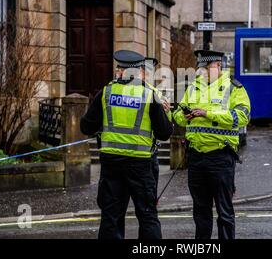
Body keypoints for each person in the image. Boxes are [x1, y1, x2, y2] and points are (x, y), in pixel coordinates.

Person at [80, 50, 173, 239]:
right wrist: (166, 114)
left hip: (111, 164)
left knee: (111, 216)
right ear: (138, 72)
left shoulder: (106, 92)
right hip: (141, 165)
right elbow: (164, 133)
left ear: (120, 71)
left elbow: (86, 126)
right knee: (147, 216)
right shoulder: (150, 95)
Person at [173, 49, 251, 239]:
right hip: (196, 157)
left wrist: (207, 114)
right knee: (200, 212)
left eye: (206, 69)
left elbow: (242, 117)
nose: (202, 72)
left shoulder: (234, 88)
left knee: (224, 211)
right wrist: (182, 115)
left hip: (221, 157)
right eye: (201, 69)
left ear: (217, 66)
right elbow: (177, 117)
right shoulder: (192, 87)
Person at [144, 57, 172, 195]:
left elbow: (166, 127)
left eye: (151, 70)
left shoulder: (158, 93)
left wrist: (166, 113)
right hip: (139, 153)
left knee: (150, 196)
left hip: (150, 152)